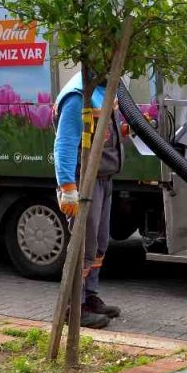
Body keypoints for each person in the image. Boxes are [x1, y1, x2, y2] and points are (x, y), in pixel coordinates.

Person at [54, 71, 125, 329]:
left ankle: (89, 296)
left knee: (99, 242)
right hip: (84, 181)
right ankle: (74, 307)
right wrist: (68, 187)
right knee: (84, 244)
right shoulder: (77, 96)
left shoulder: (103, 88)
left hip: (103, 177)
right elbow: (64, 144)